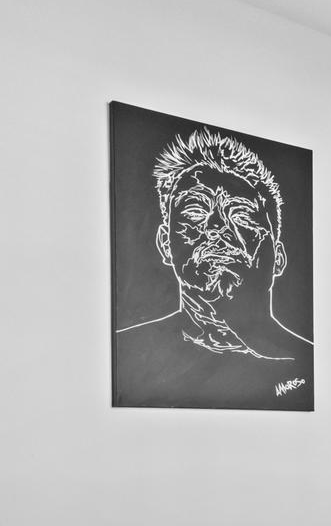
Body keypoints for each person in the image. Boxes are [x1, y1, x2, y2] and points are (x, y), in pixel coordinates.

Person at [115, 128, 312, 395]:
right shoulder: (127, 347)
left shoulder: (306, 365)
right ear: (165, 244)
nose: (216, 227)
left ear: (278, 258)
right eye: (195, 212)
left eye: (241, 216)